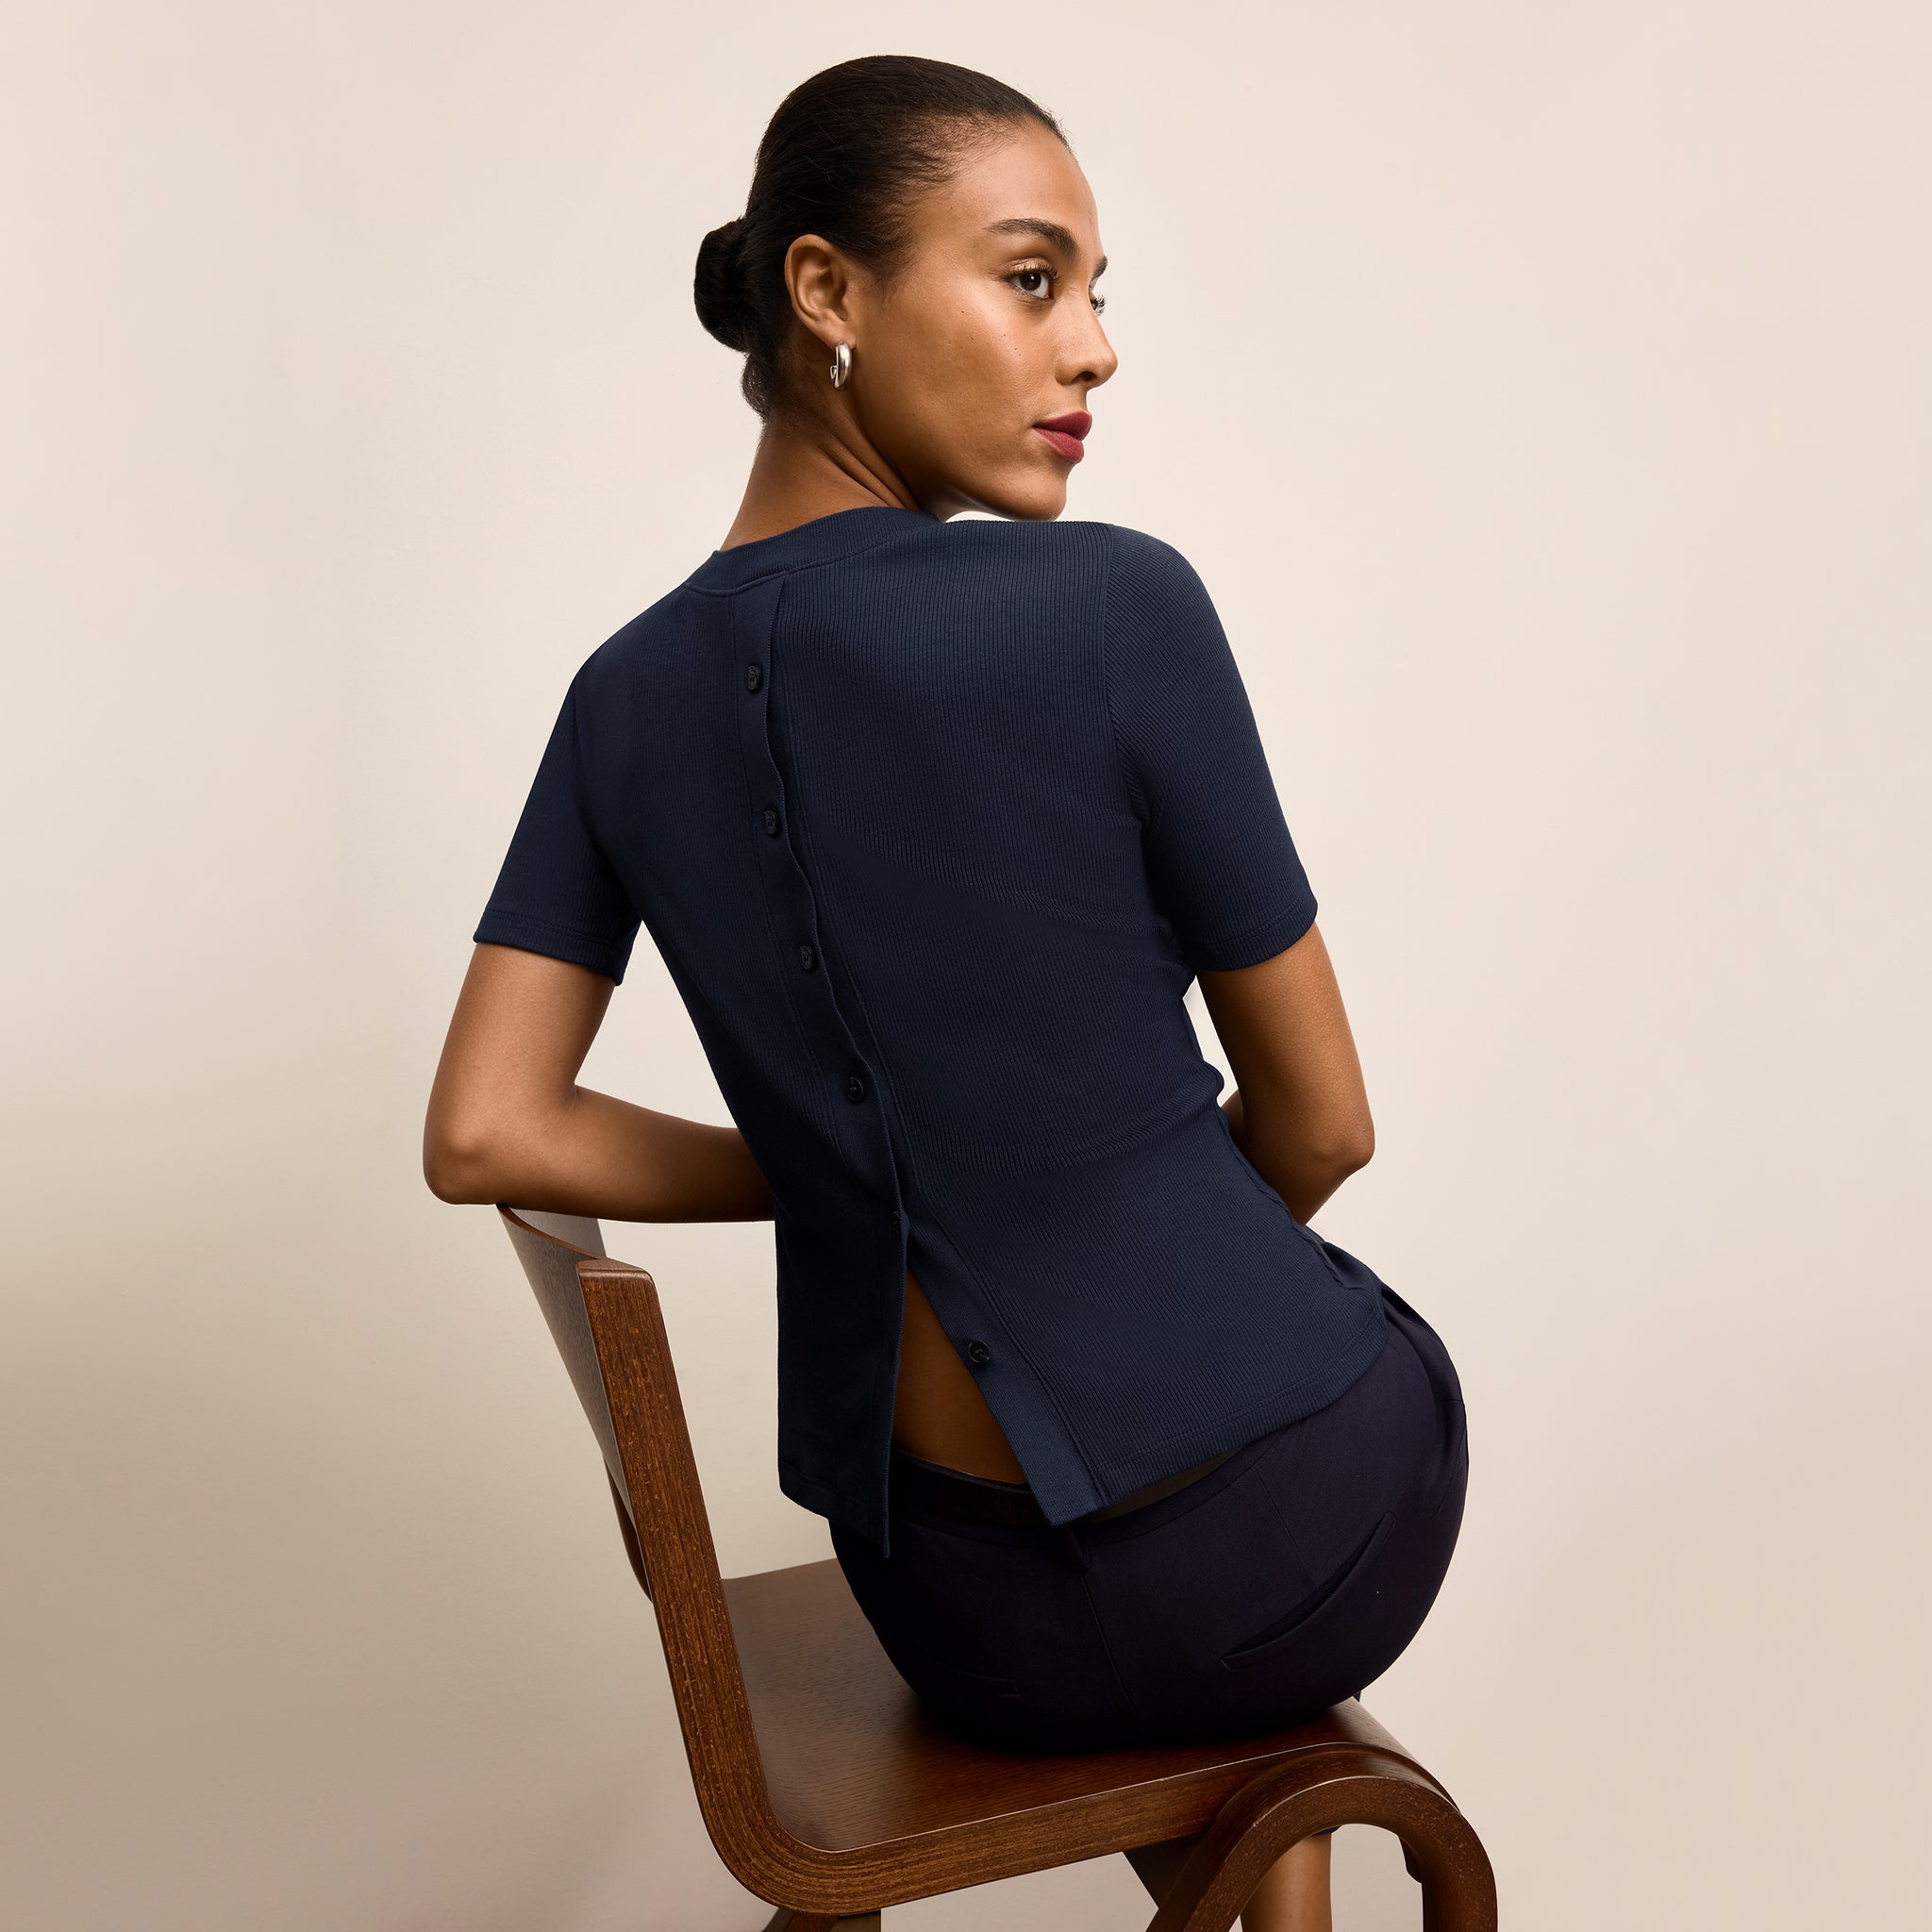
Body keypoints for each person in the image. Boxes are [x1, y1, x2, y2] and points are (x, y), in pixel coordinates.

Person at [423, 55, 1469, 1932]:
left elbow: (489, 1127)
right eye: (1030, 278)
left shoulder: (619, 694)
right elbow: (1326, 1123)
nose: (1093, 352)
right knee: (1308, 1410)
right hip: (1279, 1536)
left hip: (956, 1600)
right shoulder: (1115, 609)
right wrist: (1033, 1229)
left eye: (1094, 291)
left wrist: (861, 1176)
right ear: (824, 292)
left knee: (1237, 1646)